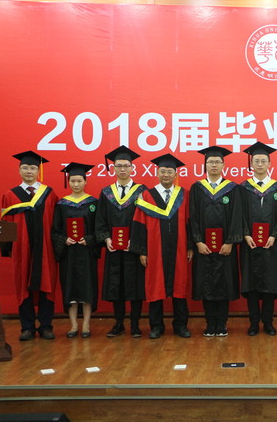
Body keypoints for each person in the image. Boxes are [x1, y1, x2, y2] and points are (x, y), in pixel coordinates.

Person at [131, 154, 192, 339]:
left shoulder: (184, 195)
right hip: (155, 249)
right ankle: (156, 326)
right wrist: (142, 251)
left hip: (179, 248)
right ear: (157, 173)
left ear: (175, 174)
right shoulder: (146, 196)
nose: (166, 175)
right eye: (163, 171)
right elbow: (139, 224)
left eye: (170, 171)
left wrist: (190, 247)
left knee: (179, 285)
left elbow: (190, 222)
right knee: (155, 285)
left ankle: (181, 325)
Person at [1, 151, 58, 341]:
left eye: (33, 168)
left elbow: (56, 223)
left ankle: (46, 326)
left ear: (38, 171)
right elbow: (6, 224)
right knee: (23, 284)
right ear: (19, 170)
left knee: (46, 284)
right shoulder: (10, 195)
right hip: (22, 249)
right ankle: (27, 327)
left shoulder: (49, 194)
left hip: (46, 249)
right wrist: (8, 249)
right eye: (25, 168)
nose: (29, 171)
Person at [189, 146, 242, 337]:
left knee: (224, 283)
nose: (213, 165)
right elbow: (193, 217)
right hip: (204, 247)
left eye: (217, 162)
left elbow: (236, 216)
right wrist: (198, 241)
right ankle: (210, 323)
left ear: (223, 165)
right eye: (210, 162)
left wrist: (230, 242)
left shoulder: (232, 188)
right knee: (206, 284)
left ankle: (222, 323)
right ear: (205, 165)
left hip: (224, 247)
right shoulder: (197, 188)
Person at [95, 145, 147, 338]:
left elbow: (145, 220)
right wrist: (106, 238)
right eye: (119, 166)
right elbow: (100, 219)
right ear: (113, 168)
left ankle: (135, 324)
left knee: (135, 286)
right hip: (114, 249)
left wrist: (136, 242)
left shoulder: (141, 191)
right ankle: (118, 324)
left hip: (133, 249)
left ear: (132, 168)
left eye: (126, 165)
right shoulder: (106, 193)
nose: (123, 169)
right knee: (116, 286)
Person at [240, 142, 277, 336]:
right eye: (256, 161)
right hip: (249, 243)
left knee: (270, 283)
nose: (260, 164)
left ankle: (268, 322)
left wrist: (275, 235)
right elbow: (239, 214)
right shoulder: (243, 188)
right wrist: (245, 234)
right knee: (251, 284)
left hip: (271, 244)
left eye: (263, 161)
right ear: (251, 164)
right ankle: (253, 322)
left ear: (269, 163)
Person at [51, 163, 99, 338]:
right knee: (70, 288)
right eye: (73, 181)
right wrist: (64, 240)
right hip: (69, 254)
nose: (76, 184)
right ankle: (73, 325)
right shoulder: (61, 204)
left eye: (79, 181)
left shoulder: (93, 203)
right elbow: (55, 231)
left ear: (86, 182)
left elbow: (99, 228)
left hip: (86, 253)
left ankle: (86, 325)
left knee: (87, 288)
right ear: (68, 182)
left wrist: (89, 239)